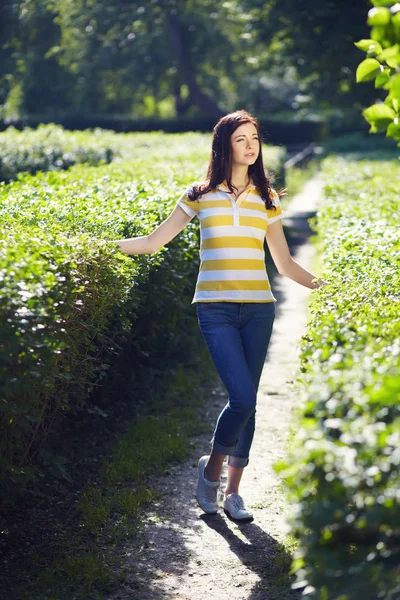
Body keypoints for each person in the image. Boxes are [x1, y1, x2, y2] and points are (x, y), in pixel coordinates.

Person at [111, 109, 327, 521]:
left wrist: (326, 288)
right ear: (224, 143)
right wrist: (103, 249)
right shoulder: (199, 193)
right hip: (214, 308)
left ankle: (233, 494)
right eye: (242, 138)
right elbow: (155, 241)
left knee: (250, 403)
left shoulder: (268, 198)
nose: (251, 146)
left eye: (255, 139)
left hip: (260, 310)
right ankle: (211, 471)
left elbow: (283, 264)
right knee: (241, 396)